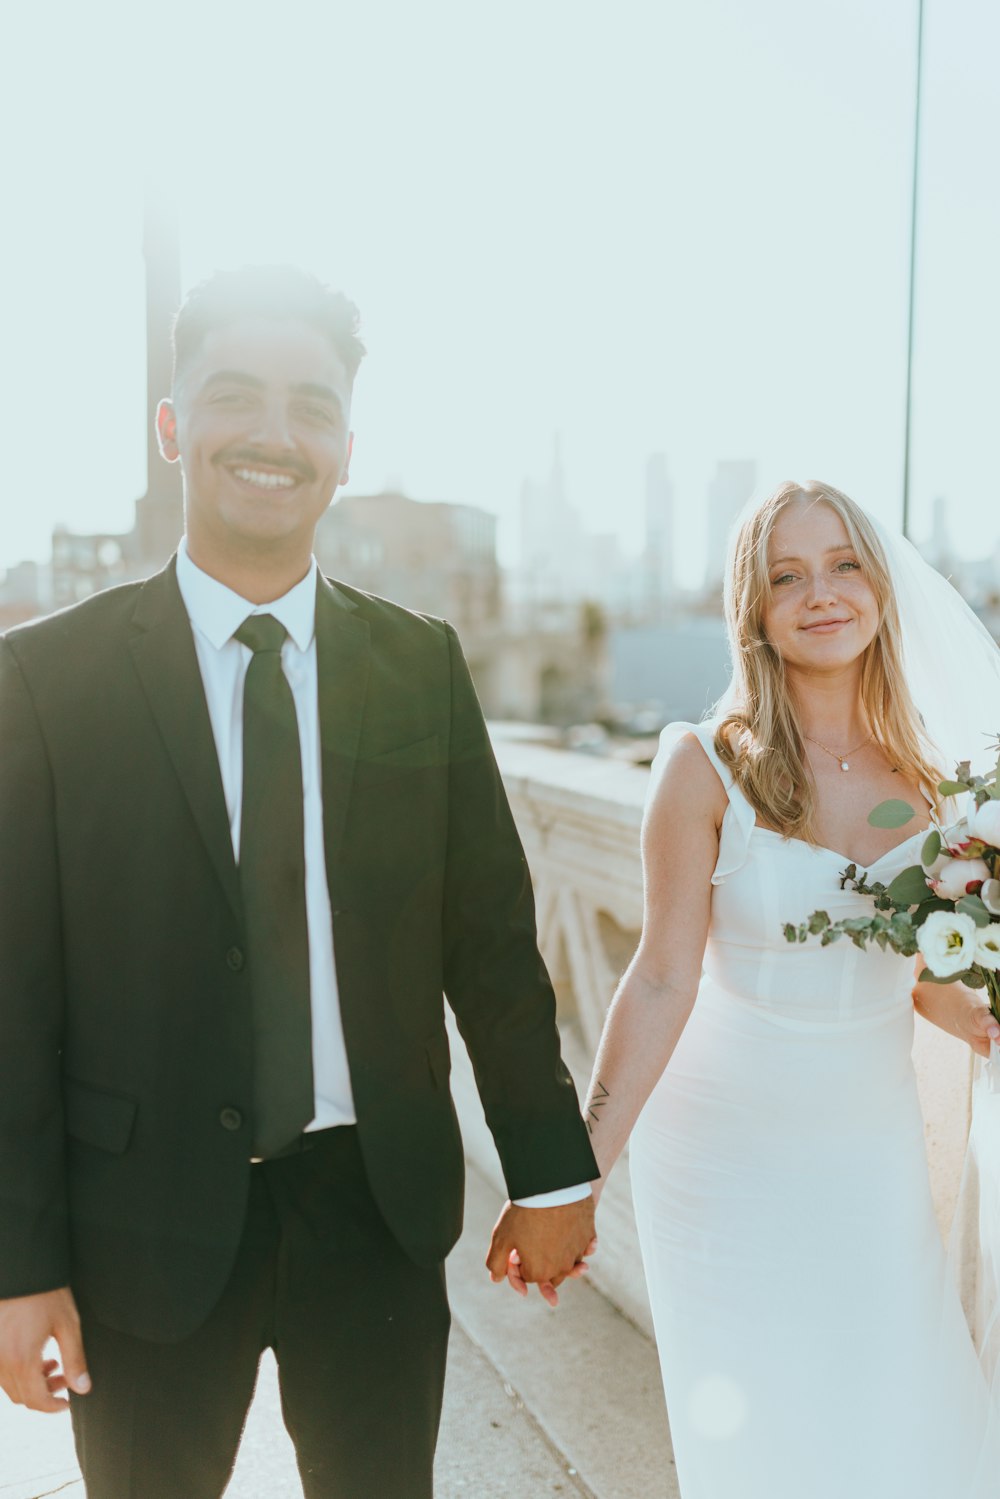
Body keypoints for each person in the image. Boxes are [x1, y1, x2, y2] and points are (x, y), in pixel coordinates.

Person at [0, 265, 598, 1499]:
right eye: (235, 396)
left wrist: (549, 1170)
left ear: (343, 446)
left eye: (310, 407)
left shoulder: (416, 664)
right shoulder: (44, 685)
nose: (275, 434)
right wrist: (19, 1262)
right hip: (138, 1222)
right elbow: (13, 999)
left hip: (373, 1206)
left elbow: (487, 940)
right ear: (172, 427)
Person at [576, 480, 1000, 1497]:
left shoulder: (942, 786)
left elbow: (930, 988)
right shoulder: (703, 764)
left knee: (899, 1399)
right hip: (722, 1149)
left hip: (870, 1144)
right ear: (753, 608)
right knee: (762, 1428)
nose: (822, 593)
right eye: (787, 575)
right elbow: (662, 976)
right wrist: (571, 1171)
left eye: (844, 564)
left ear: (882, 585)